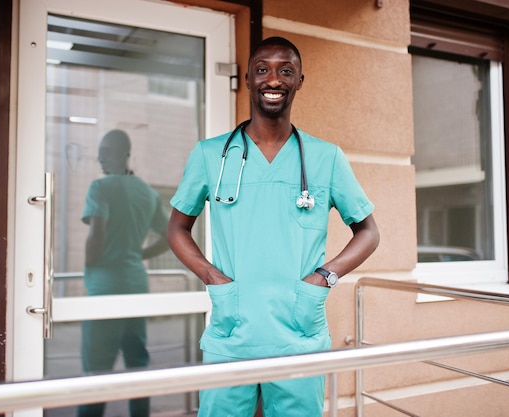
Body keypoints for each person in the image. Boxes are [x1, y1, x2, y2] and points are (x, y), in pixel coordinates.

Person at [166, 37, 380, 416]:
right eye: (262, 69)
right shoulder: (209, 154)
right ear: (248, 78)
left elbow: (368, 231)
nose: (273, 79)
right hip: (232, 331)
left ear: (300, 81)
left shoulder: (325, 157)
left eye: (286, 70)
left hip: (299, 332)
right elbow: (178, 229)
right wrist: (212, 276)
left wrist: (325, 277)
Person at [79, 129, 169, 417]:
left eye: (104, 152)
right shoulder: (147, 192)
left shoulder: (100, 188)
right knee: (137, 365)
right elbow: (169, 237)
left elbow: (97, 233)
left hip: (106, 285)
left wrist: (91, 262)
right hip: (135, 284)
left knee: (97, 370)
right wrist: (138, 255)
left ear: (123, 154)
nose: (99, 158)